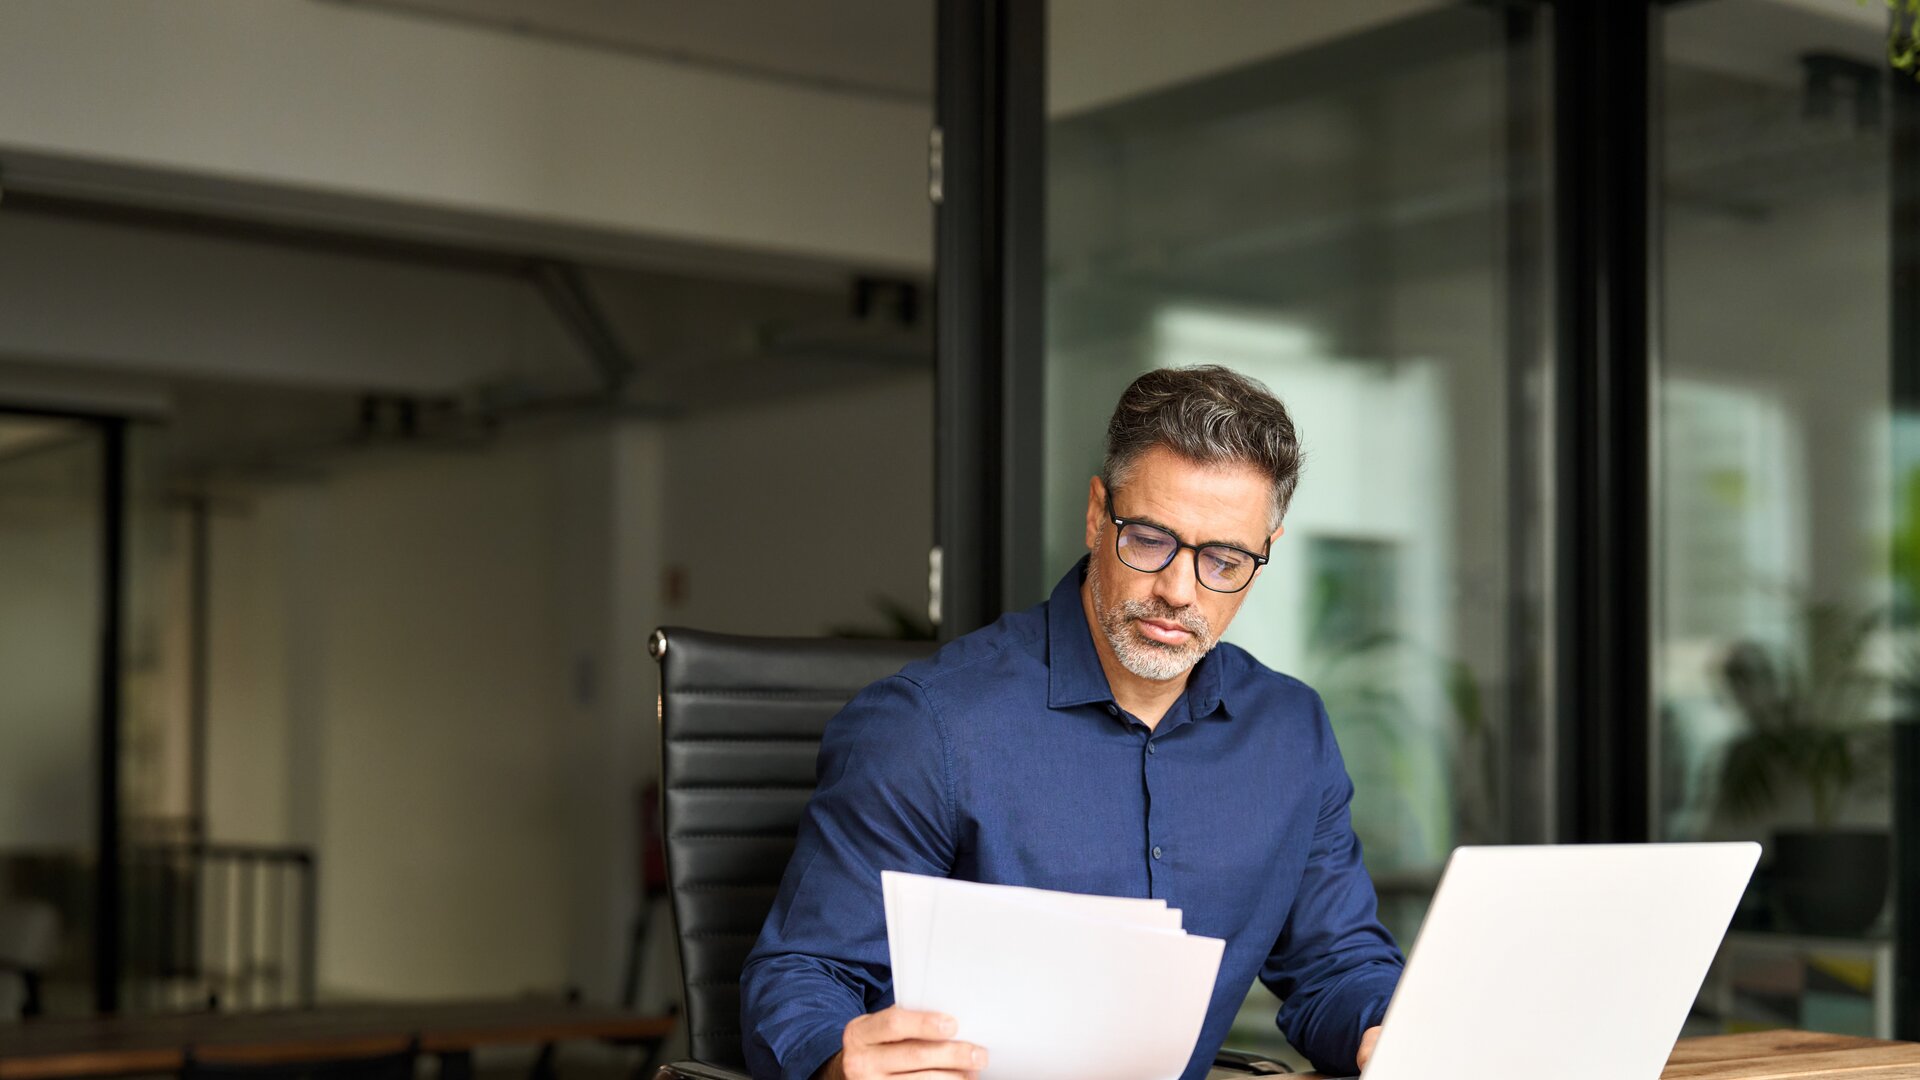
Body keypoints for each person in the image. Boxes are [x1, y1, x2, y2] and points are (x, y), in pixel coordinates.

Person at [740, 366, 1404, 1080]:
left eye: (1224, 559)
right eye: (1150, 539)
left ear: (1263, 555)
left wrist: (1391, 1030)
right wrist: (838, 1063)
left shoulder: (1289, 734)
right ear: (1096, 515)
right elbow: (800, 976)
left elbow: (1338, 968)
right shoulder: (930, 727)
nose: (1179, 590)